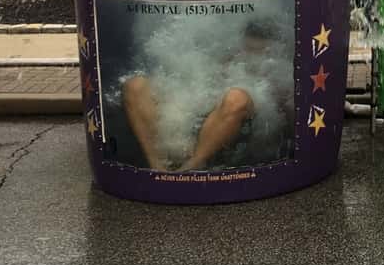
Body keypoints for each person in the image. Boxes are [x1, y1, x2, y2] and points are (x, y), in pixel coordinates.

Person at [121, 21, 291, 171]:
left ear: (271, 51)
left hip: (240, 133)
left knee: (236, 97)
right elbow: (197, 90)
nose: (251, 56)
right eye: (248, 49)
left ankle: (189, 168)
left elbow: (279, 121)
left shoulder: (280, 73)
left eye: (258, 52)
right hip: (201, 121)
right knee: (136, 86)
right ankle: (158, 167)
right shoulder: (229, 60)